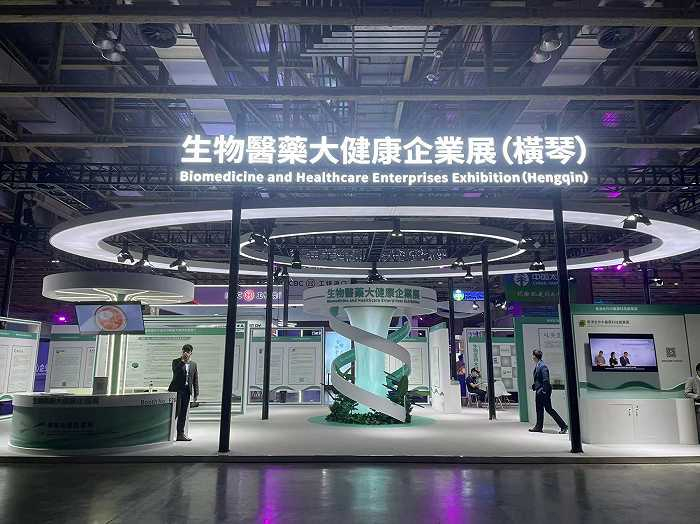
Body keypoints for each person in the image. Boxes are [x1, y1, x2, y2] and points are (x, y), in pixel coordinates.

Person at [529, 349, 568, 434]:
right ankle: (538, 427)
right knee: (539, 409)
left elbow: (546, 380)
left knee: (549, 409)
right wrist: (535, 386)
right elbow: (539, 379)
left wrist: (543, 391)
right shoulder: (538, 365)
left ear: (535, 356)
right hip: (539, 391)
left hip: (543, 392)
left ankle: (563, 426)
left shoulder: (543, 366)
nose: (532, 357)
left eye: (533, 355)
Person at [168, 344, 199, 441]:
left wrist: (196, 393)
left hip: (186, 391)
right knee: (175, 413)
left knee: (183, 414)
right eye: (184, 351)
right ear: (182, 352)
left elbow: (195, 379)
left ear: (191, 353)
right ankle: (166, 434)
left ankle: (180, 434)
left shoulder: (193, 364)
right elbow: (175, 372)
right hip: (177, 390)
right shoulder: (176, 361)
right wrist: (182, 362)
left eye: (188, 352)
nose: (185, 353)